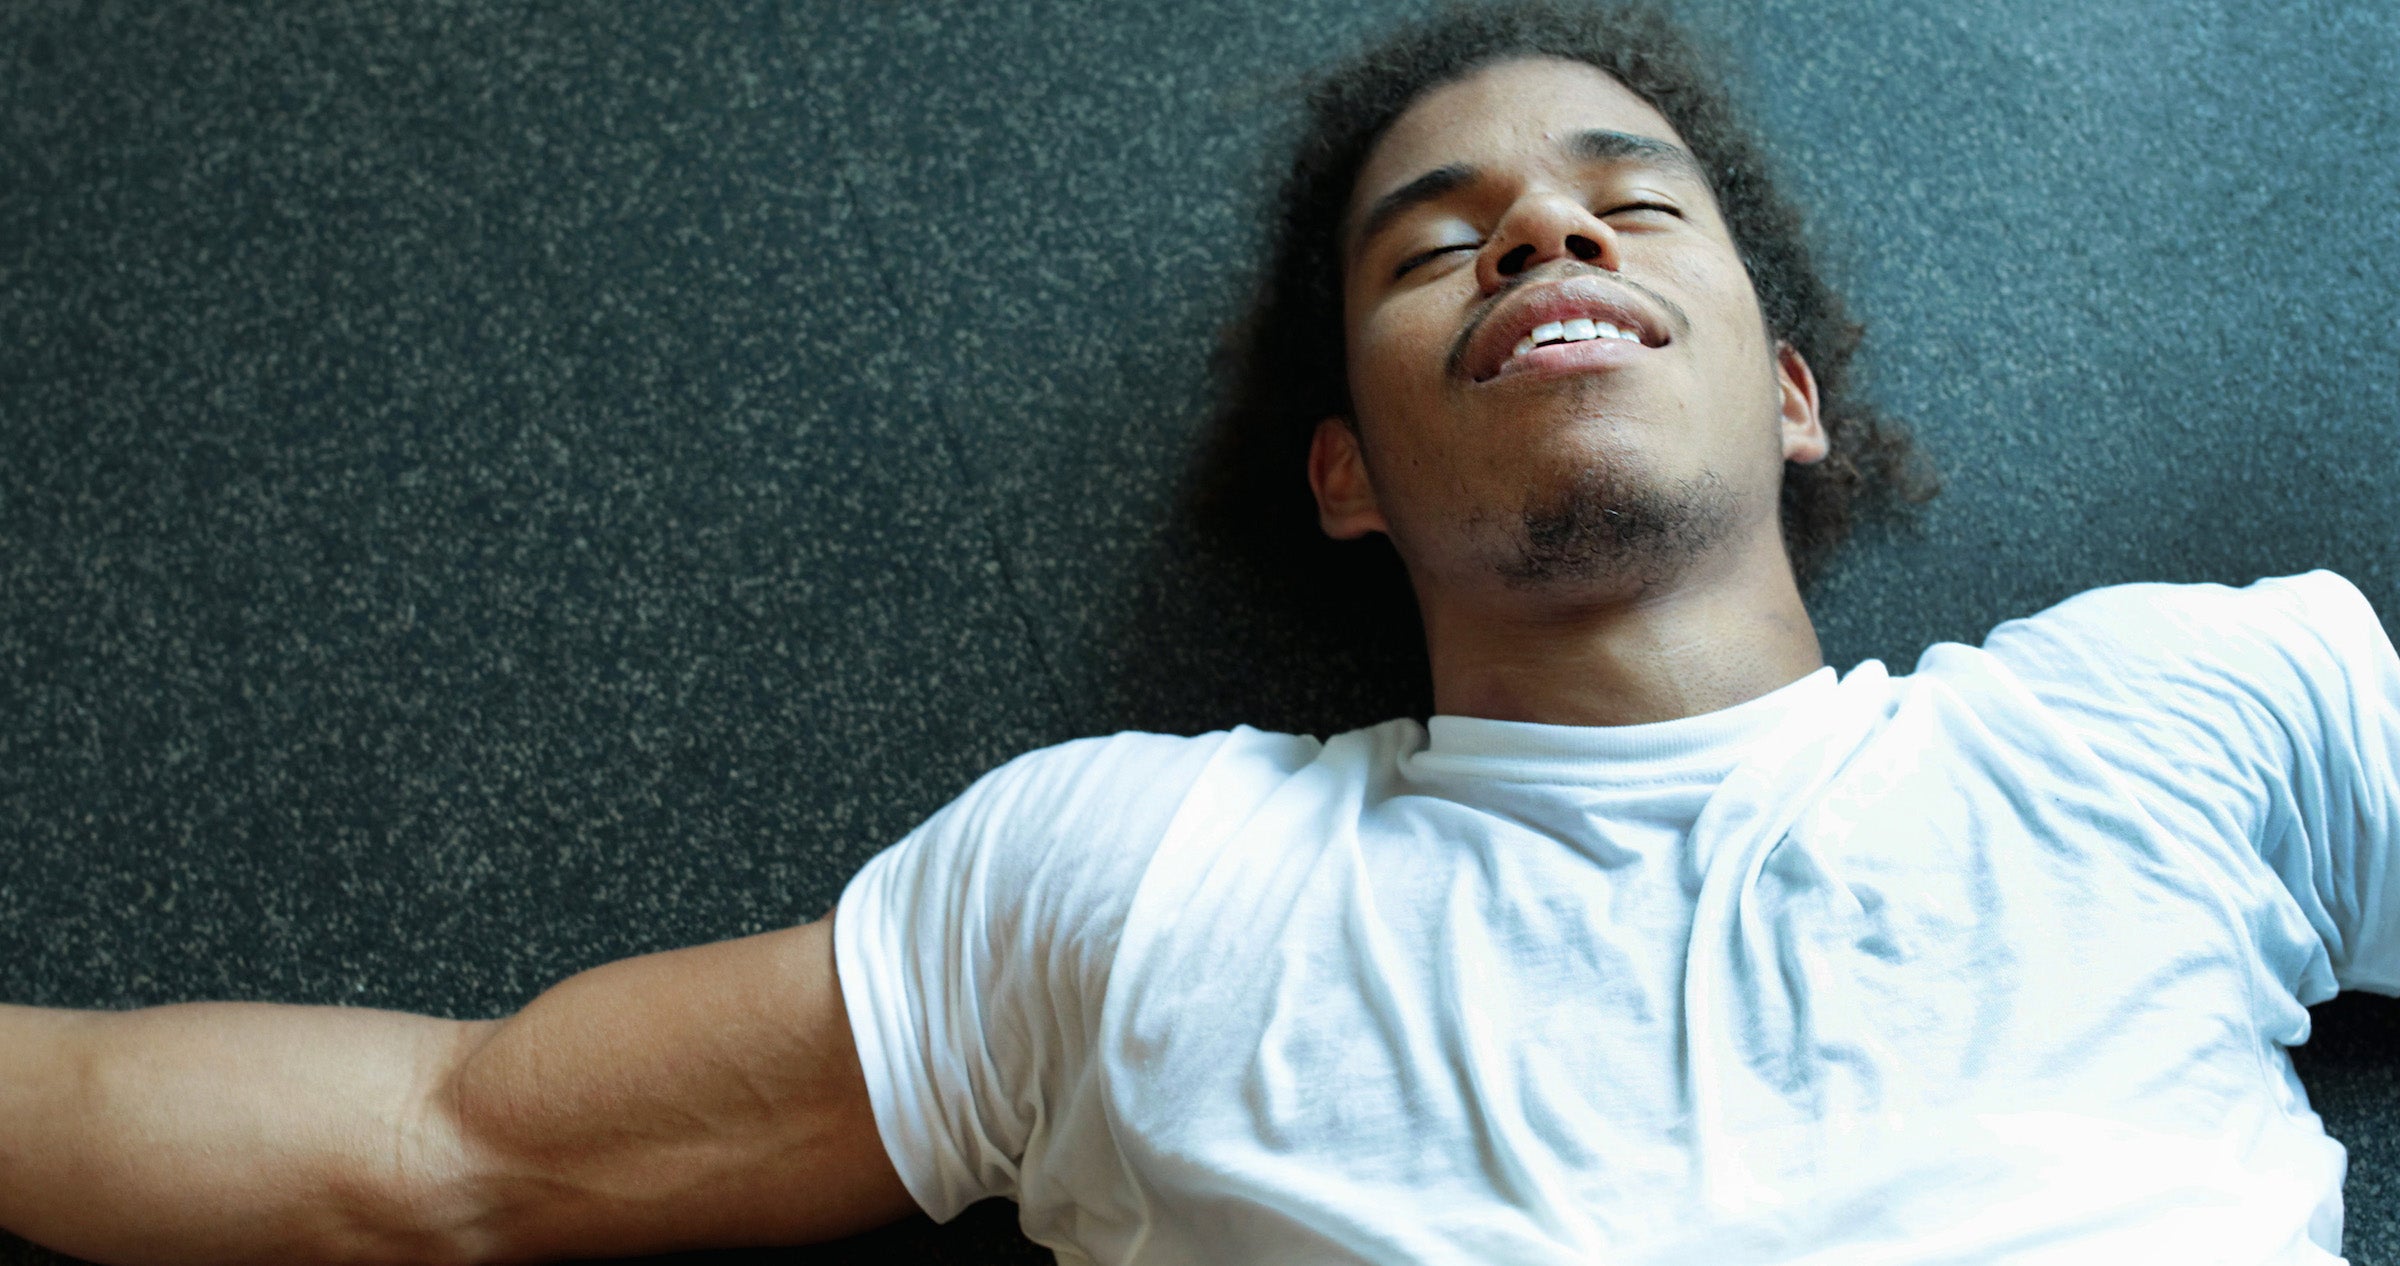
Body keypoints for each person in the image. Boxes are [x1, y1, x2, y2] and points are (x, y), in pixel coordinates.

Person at [2, 2, 2390, 1263]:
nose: (1547, 240)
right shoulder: (1137, 885)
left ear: (1789, 398)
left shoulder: (2191, 718)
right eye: (1439, 240)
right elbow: (449, 1145)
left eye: (1621, 204)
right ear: (1340, 473)